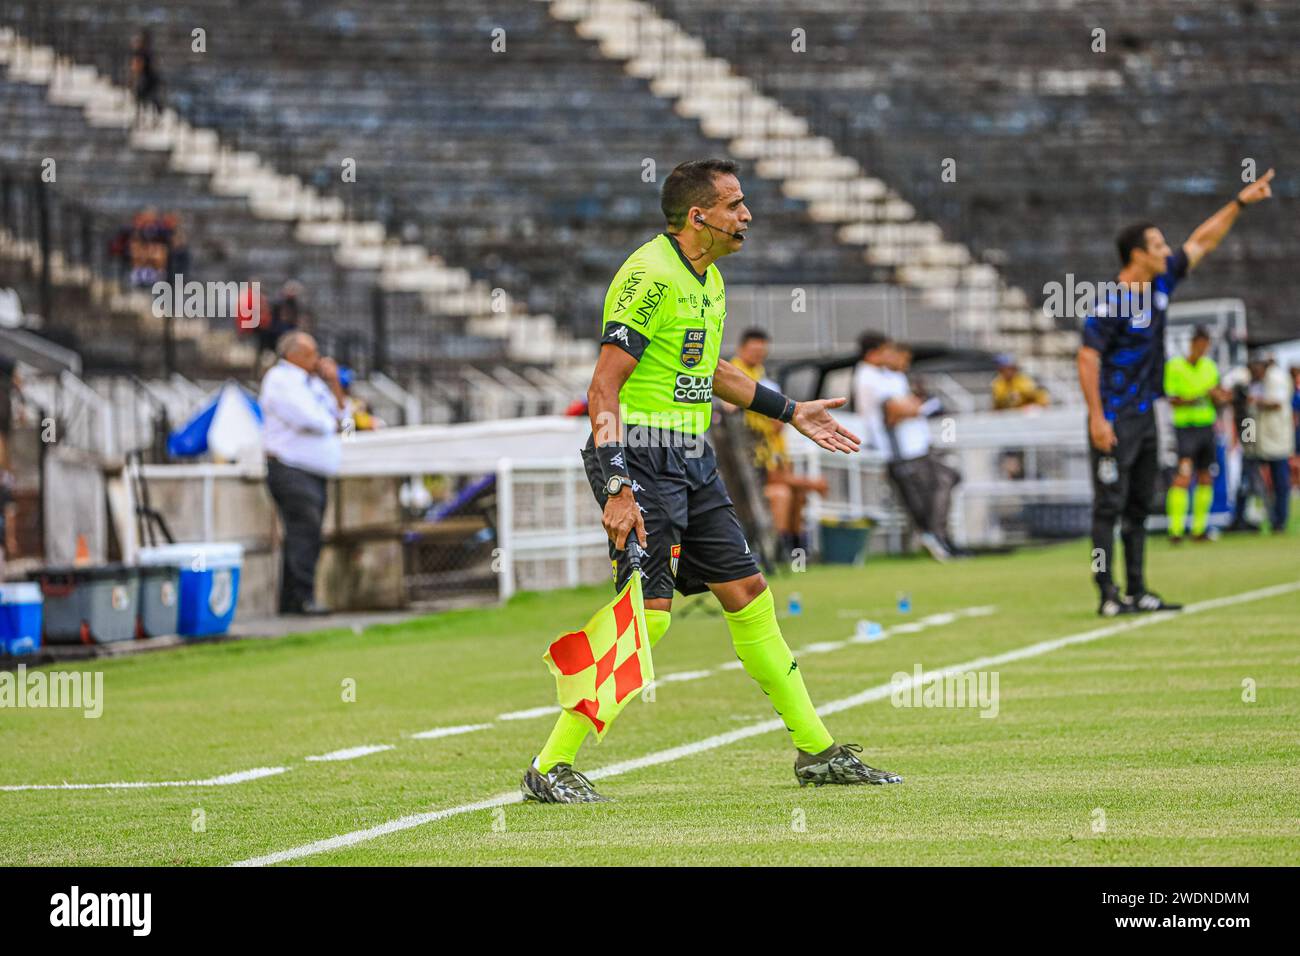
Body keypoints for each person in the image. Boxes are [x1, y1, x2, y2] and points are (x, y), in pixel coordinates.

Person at [521, 159, 901, 804]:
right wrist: (617, 486)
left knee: (750, 594)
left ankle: (817, 752)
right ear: (699, 216)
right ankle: (550, 766)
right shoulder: (647, 275)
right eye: (734, 204)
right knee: (650, 616)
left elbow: (711, 370)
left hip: (690, 458)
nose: (745, 215)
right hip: (639, 456)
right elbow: (603, 386)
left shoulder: (710, 279)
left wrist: (790, 409)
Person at [1078, 169, 1275, 617]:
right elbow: (1087, 359)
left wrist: (1239, 203)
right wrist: (1096, 417)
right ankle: (1107, 593)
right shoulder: (1111, 303)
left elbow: (1202, 241)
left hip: (1147, 416)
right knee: (1108, 506)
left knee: (1139, 505)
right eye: (1159, 245)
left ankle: (1139, 588)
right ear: (1137, 254)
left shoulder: (1161, 284)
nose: (1168, 250)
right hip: (1114, 417)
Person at [259, 332, 346, 616]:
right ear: (293, 355)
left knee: (306, 533)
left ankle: (293, 600)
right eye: (311, 354)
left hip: (311, 472)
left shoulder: (313, 384)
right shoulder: (280, 380)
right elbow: (313, 420)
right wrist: (329, 422)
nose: (317, 359)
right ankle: (302, 597)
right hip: (289, 469)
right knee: (304, 531)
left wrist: (334, 382)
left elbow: (341, 418)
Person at [853, 332, 959, 561]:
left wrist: (912, 407)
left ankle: (937, 535)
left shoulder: (886, 375)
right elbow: (894, 412)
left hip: (914, 446)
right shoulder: (869, 377)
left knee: (944, 480)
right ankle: (934, 535)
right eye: (885, 351)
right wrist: (914, 408)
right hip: (899, 450)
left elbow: (909, 406)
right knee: (926, 494)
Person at [728, 328, 828, 558]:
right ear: (741, 350)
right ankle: (775, 550)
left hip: (772, 455)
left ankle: (795, 549)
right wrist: (812, 483)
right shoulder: (733, 379)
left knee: (796, 494)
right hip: (747, 463)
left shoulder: (766, 381)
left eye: (762, 352)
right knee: (781, 493)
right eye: (753, 351)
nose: (758, 356)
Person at [1163, 326, 1229, 542]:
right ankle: (1175, 530)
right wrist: (1194, 397)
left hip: (1206, 427)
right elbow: (1171, 398)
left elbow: (1221, 395)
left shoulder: (1209, 366)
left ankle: (1199, 529)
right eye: (1200, 345)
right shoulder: (1175, 366)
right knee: (1183, 475)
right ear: (1193, 343)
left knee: (1205, 476)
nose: (1203, 350)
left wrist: (1218, 396)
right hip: (1185, 428)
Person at [1245, 350, 1294, 533]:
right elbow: (1248, 415)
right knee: (1252, 481)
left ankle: (1279, 521)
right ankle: (1253, 521)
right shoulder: (1253, 380)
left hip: (1277, 439)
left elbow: (1276, 403)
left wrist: (1255, 400)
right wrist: (1246, 442)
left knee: (1280, 482)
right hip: (1256, 442)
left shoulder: (1277, 378)